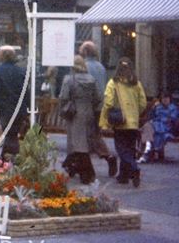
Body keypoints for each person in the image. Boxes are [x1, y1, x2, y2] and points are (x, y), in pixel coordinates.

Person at [99, 57, 147, 187]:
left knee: (121, 150)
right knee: (130, 149)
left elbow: (108, 103)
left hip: (120, 122)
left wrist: (104, 122)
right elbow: (143, 103)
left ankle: (134, 168)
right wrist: (135, 113)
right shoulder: (136, 83)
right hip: (133, 123)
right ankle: (123, 176)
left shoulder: (113, 83)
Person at [59, 56, 102, 184]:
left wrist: (64, 109)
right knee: (84, 142)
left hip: (75, 113)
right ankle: (73, 166)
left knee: (78, 144)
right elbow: (98, 98)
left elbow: (63, 97)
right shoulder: (91, 79)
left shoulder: (69, 79)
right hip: (88, 112)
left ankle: (87, 173)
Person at [79, 40, 117, 177]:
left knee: (89, 135)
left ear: (85, 52)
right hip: (100, 106)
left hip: (87, 105)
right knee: (93, 133)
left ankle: (106, 157)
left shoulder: (85, 67)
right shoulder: (101, 67)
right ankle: (80, 164)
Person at [0, 45, 28, 161]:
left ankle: (10, 160)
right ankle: (7, 159)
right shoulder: (21, 71)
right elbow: (26, 91)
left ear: (2, 56)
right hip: (19, 108)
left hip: (5, 109)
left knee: (10, 134)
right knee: (12, 133)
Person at [140, 92, 178, 162]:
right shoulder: (158, 107)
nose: (165, 100)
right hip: (155, 124)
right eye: (163, 98)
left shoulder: (173, 108)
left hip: (166, 127)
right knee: (147, 127)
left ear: (170, 99)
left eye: (167, 98)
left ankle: (148, 153)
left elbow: (173, 119)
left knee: (153, 130)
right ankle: (147, 152)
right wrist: (153, 108)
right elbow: (151, 116)